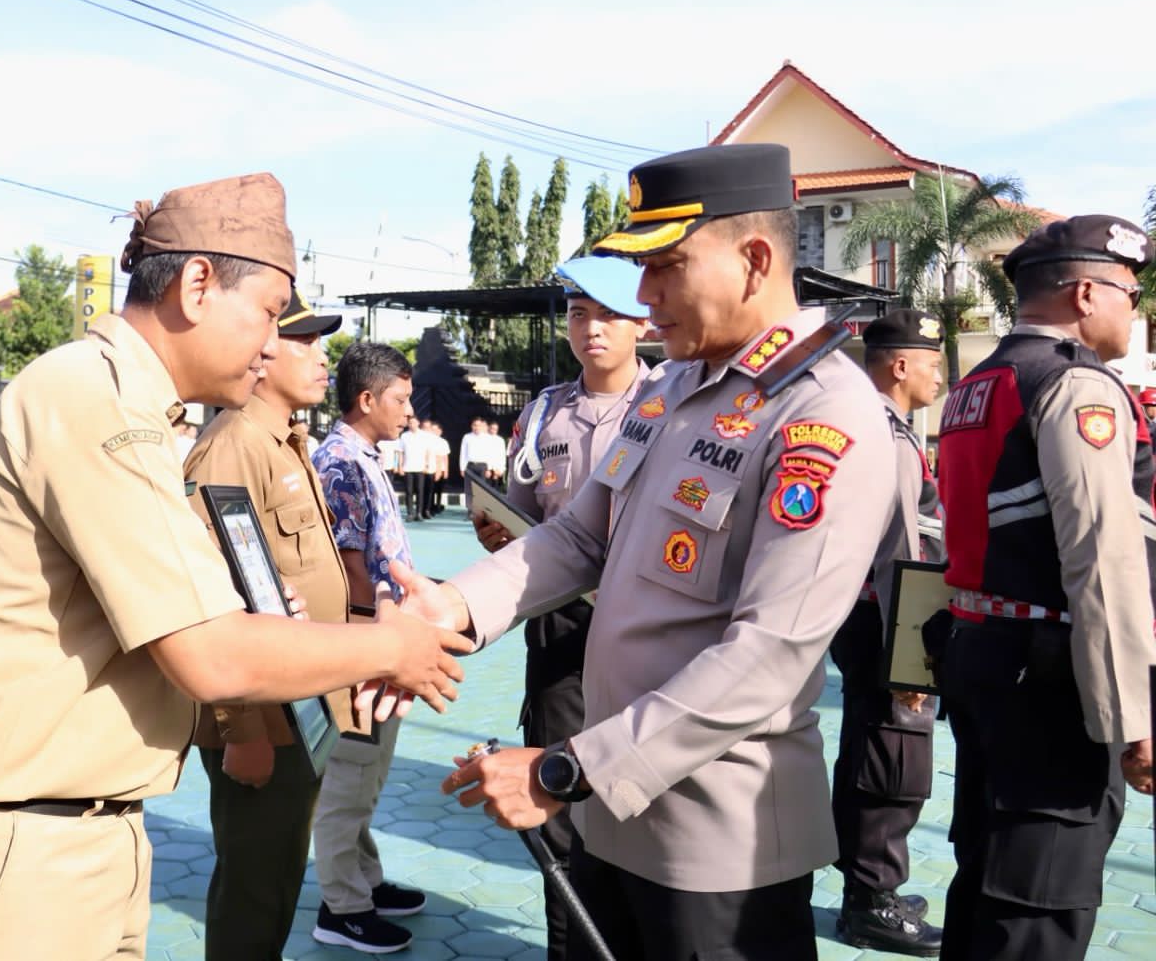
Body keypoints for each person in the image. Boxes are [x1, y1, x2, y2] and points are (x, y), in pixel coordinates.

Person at [0, 172, 470, 961]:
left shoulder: (137, 409)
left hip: (68, 838)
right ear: (196, 284)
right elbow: (211, 655)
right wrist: (393, 648)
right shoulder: (95, 398)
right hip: (9, 856)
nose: (271, 342)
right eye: (268, 313)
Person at [411, 143, 896, 961]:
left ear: (755, 260)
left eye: (668, 266)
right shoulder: (672, 388)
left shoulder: (823, 412)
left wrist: (565, 771)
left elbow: (772, 652)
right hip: (613, 810)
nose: (643, 295)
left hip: (716, 843)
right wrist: (452, 606)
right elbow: (577, 536)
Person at [936, 215, 1156, 961]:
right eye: (1132, 291)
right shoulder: (1076, 385)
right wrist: (1132, 716)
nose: (1138, 309)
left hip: (984, 656)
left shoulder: (978, 382)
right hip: (1054, 682)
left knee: (990, 884)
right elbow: (1103, 559)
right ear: (1088, 292)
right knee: (1040, 909)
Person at [469, 254, 650, 961]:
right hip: (562, 631)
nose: (592, 328)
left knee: (637, 791)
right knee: (562, 806)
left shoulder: (670, 407)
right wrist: (496, 530)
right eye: (579, 313)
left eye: (608, 314)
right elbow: (521, 512)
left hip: (641, 624)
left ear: (640, 324)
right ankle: (569, 949)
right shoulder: (544, 411)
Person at [183, 287, 350, 961]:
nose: (322, 358)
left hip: (298, 706)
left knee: (278, 877)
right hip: (261, 717)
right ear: (263, 345)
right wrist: (240, 733)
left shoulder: (284, 440)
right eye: (306, 342)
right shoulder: (233, 445)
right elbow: (208, 599)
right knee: (254, 891)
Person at [829, 309, 947, 956]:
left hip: (864, 616)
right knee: (894, 755)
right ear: (899, 365)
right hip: (889, 619)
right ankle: (872, 899)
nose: (938, 374)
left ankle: (866, 888)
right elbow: (904, 555)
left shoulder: (869, 424)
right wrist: (911, 663)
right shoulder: (892, 439)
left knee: (868, 746)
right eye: (931, 362)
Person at [310, 341, 430, 954]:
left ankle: (365, 880)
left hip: (382, 635)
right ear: (367, 399)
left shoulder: (362, 456)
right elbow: (354, 568)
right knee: (349, 776)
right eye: (401, 400)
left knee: (367, 772)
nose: (409, 412)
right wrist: (376, 651)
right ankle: (341, 907)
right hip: (366, 640)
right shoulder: (342, 463)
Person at [398, 416, 431, 521]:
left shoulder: (424, 436)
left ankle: (419, 513)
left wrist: (426, 465)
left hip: (420, 467)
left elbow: (427, 451)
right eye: (410, 423)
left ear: (418, 423)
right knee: (409, 491)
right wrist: (399, 466)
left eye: (414, 422)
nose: (412, 424)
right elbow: (400, 452)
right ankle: (410, 513)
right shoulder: (404, 436)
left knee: (420, 491)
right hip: (407, 467)